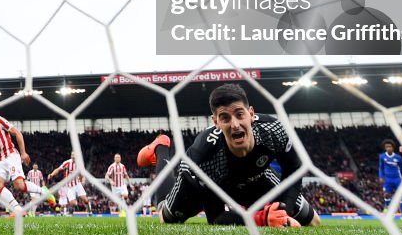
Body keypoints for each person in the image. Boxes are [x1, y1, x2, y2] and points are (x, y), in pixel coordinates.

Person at [136, 83, 319, 227]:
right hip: (203, 186)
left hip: (256, 178)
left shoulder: (273, 130)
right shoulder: (204, 157)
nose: (235, 124)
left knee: (314, 221)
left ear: (251, 114)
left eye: (240, 114)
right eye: (225, 118)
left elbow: (294, 169)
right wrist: (260, 220)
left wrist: (283, 211)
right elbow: (216, 217)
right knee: (164, 217)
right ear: (216, 122)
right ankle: (161, 147)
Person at [0, 104, 56, 212]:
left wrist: (23, 153)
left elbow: (17, 133)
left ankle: (43, 192)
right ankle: (17, 210)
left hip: (11, 155)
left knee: (19, 186)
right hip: (0, 159)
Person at [378, 139, 402, 217]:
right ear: (385, 148)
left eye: (390, 147)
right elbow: (381, 167)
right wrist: (381, 177)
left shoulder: (398, 157)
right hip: (387, 179)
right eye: (386, 147)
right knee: (387, 195)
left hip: (397, 179)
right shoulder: (382, 156)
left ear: (393, 147)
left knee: (401, 196)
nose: (388, 148)